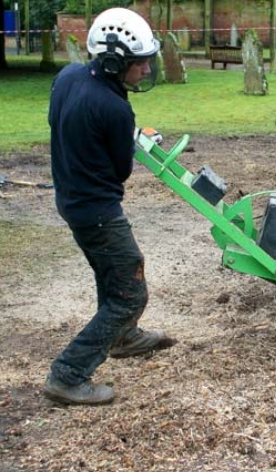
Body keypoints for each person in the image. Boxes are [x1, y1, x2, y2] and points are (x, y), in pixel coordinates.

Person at [44, 7, 176, 405]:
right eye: (141, 63)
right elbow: (122, 170)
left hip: (71, 199)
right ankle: (68, 374)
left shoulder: (69, 77)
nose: (145, 69)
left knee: (111, 275)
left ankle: (122, 336)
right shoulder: (115, 108)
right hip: (98, 212)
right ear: (116, 60)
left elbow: (59, 122)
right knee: (130, 293)